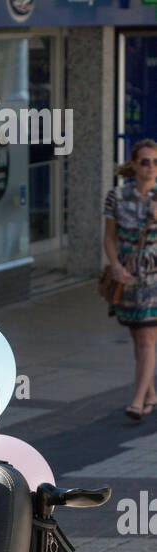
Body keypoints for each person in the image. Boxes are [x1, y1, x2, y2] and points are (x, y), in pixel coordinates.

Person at [103, 138, 157, 420]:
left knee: (148, 336)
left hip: (155, 277)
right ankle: (149, 392)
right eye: (145, 161)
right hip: (126, 275)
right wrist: (113, 266)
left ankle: (137, 401)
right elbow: (109, 237)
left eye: (155, 162)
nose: (150, 167)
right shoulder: (117, 196)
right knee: (138, 337)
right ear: (134, 164)